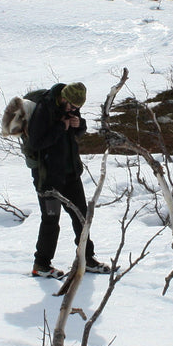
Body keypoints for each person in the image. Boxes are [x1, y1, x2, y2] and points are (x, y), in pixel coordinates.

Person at [23, 81, 109, 280]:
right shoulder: (45, 109)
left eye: (77, 108)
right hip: (48, 176)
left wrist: (80, 125)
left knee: (82, 216)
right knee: (51, 219)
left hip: (70, 172)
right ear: (63, 97)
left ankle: (87, 259)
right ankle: (41, 265)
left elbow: (74, 132)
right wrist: (61, 126)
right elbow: (36, 142)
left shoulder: (70, 107)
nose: (74, 110)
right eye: (72, 106)